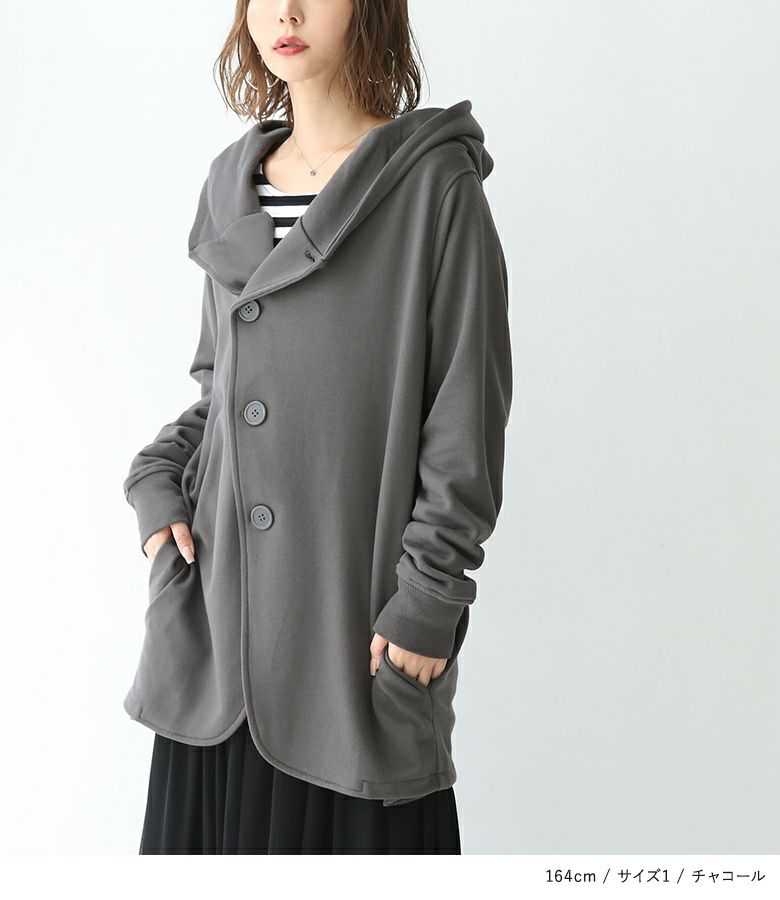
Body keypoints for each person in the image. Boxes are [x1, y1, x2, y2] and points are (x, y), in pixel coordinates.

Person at [124, 0, 513, 854]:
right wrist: (156, 486)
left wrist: (429, 601)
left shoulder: (432, 187)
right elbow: (221, 395)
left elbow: (465, 420)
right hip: (217, 636)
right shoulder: (231, 184)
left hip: (352, 642)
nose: (287, 12)